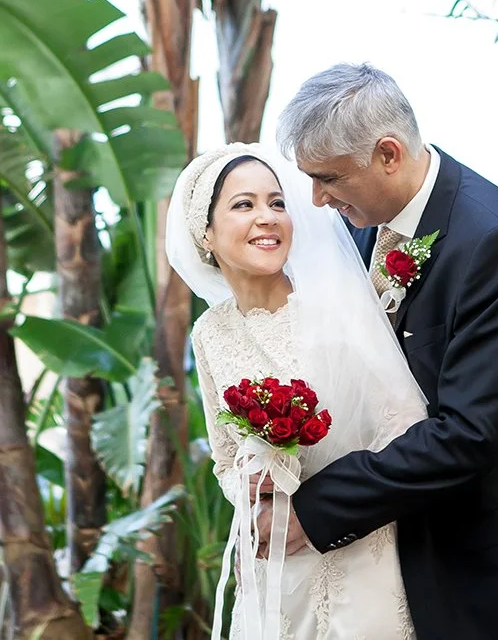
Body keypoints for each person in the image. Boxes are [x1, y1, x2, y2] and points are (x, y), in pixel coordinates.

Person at [257, 62, 498, 640]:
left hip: (484, 556)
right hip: (393, 545)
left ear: (388, 155)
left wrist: (314, 512)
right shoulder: (362, 220)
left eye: (329, 178)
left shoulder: (496, 240)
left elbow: (467, 432)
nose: (316, 199)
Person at [166, 142, 428, 640]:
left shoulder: (334, 313)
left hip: (357, 553)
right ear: (206, 233)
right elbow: (225, 458)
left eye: (278, 203)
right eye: (244, 205)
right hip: (272, 562)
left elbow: (405, 428)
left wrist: (316, 489)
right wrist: (252, 485)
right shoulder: (210, 332)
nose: (267, 218)